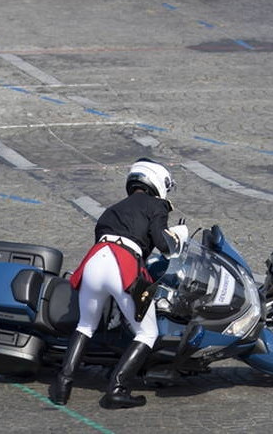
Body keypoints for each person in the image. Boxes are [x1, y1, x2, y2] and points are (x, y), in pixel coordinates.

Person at [49, 158, 187, 409]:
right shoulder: (156, 205)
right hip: (122, 263)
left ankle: (62, 385)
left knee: (85, 325)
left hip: (95, 260)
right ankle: (117, 389)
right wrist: (178, 236)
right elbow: (164, 245)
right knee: (148, 333)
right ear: (157, 181)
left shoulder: (112, 209)